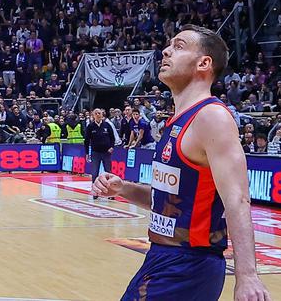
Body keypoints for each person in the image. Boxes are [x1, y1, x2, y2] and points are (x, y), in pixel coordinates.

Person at [92, 25, 271, 301]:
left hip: (189, 263)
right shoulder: (176, 122)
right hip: (163, 257)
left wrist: (247, 276)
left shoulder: (212, 117)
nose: (166, 50)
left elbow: (237, 200)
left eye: (179, 46)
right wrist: (123, 189)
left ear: (204, 63)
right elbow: (173, 201)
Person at [84, 108, 116, 198]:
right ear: (93, 115)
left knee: (108, 173)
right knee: (94, 173)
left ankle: (110, 193)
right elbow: (86, 141)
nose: (98, 115)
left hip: (106, 153)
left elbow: (112, 138)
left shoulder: (107, 125)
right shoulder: (90, 126)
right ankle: (95, 191)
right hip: (95, 153)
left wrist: (112, 147)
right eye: (96, 113)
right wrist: (87, 153)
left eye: (100, 113)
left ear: (102, 115)